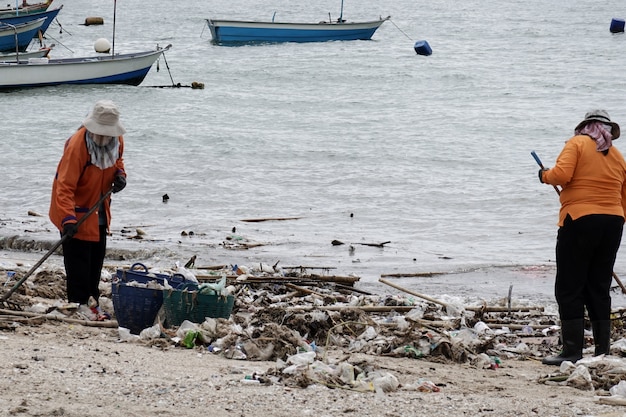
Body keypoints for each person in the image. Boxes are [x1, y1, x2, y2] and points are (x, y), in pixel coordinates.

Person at [538, 109, 626, 365]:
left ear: (586, 127)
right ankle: (602, 352)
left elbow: (561, 175)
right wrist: (614, 219)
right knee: (598, 287)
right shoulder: (618, 157)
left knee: (569, 286)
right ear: (607, 130)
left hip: (579, 219)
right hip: (613, 222)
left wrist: (544, 176)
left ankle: (572, 351)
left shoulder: (576, 143)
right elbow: (624, 194)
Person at [49, 100, 127, 321]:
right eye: (99, 133)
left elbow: (118, 161)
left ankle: (91, 302)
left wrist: (120, 175)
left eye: (107, 134)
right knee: (78, 261)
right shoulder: (77, 145)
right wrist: (68, 219)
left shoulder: (117, 141)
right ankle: (78, 303)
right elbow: (64, 186)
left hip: (99, 208)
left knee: (95, 258)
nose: (103, 138)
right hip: (74, 210)